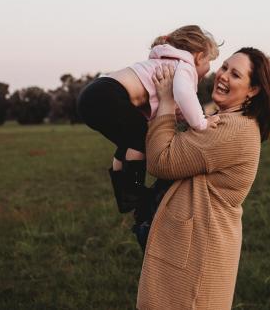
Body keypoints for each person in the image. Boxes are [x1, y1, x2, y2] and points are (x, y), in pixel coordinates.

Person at [137, 47, 270, 310]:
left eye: (235, 74)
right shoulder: (230, 120)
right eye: (224, 67)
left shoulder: (231, 129)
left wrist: (166, 102)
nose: (223, 76)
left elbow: (161, 160)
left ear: (253, 90)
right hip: (197, 243)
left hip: (197, 252)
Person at [76, 25, 220, 249]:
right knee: (139, 139)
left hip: (93, 95)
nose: (207, 71)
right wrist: (201, 122)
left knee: (128, 141)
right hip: (107, 95)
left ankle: (125, 195)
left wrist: (185, 118)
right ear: (199, 56)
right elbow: (183, 94)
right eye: (209, 63)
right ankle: (133, 192)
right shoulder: (184, 66)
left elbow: (176, 106)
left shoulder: (165, 59)